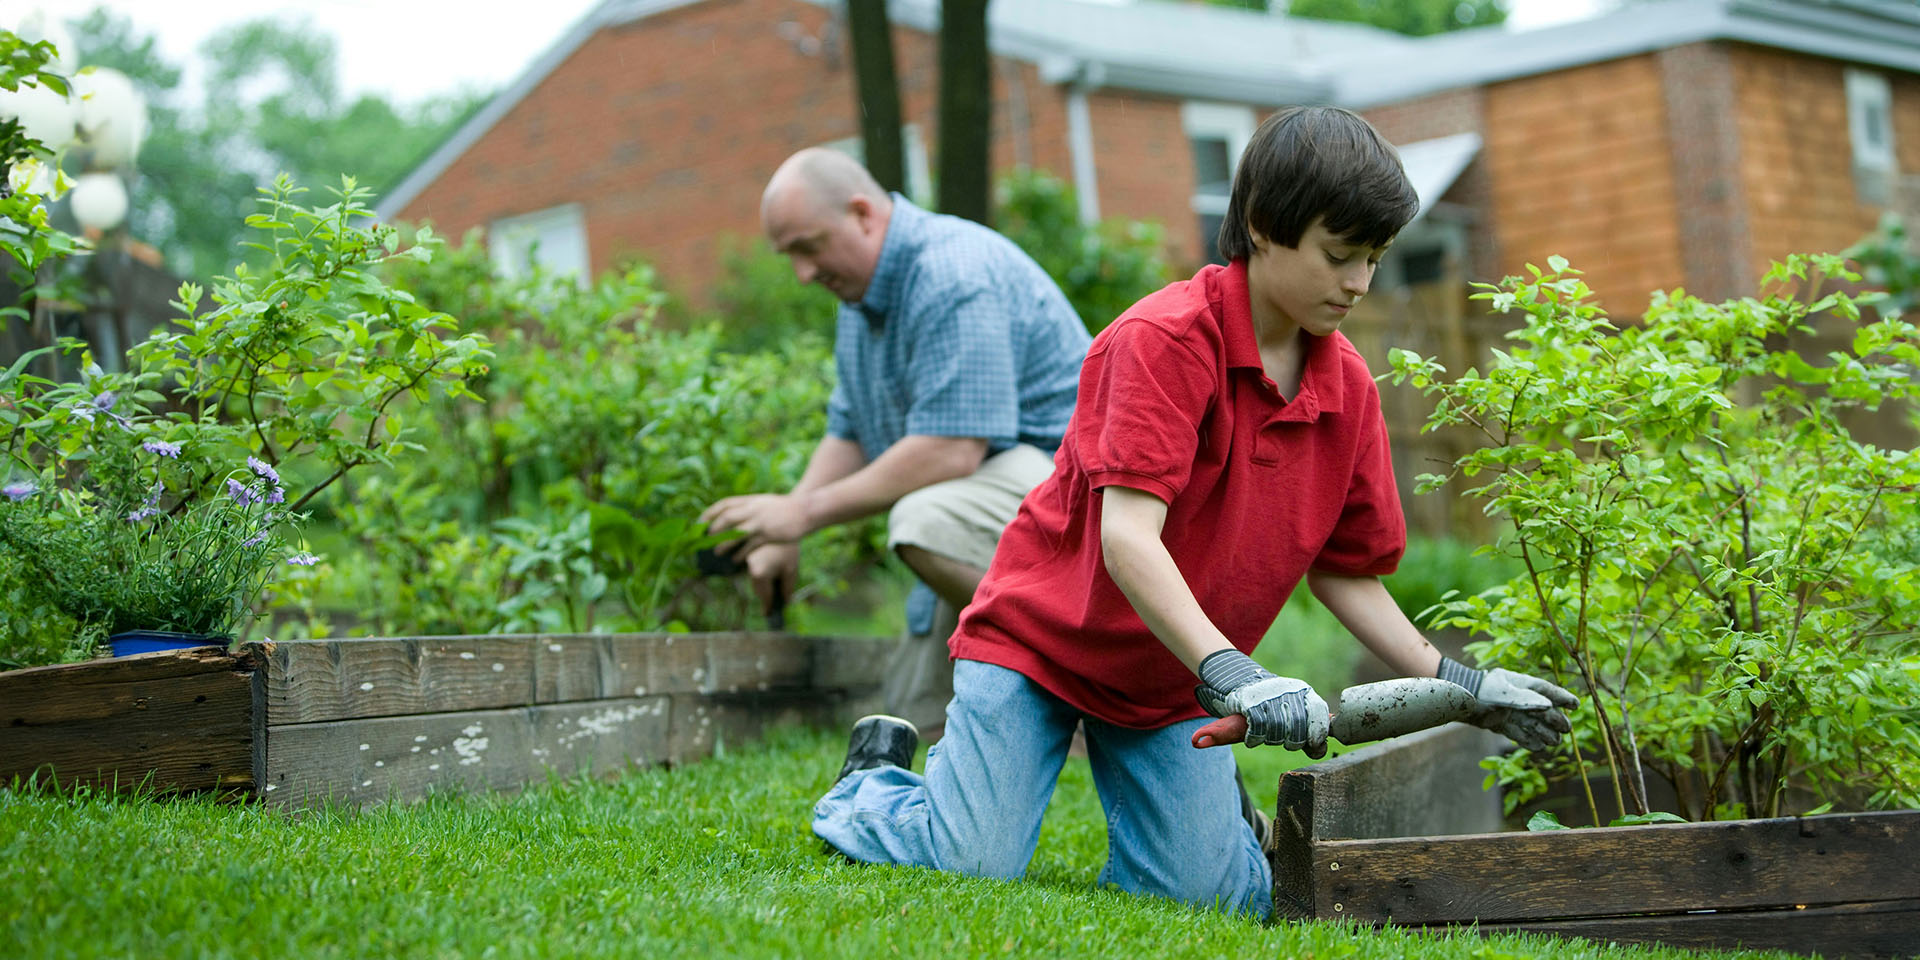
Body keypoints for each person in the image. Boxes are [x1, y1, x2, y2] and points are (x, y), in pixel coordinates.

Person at [810, 107, 1578, 919]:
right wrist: (1239, 675)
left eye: (1374, 259)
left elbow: (1347, 577)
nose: (1360, 283)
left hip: (1172, 679)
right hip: (1039, 647)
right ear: (1260, 227)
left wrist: (1467, 686)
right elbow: (1128, 539)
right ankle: (874, 784)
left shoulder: (1347, 388)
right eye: (1339, 255)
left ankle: (1216, 830)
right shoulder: (1163, 342)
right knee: (969, 861)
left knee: (1209, 899)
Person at [700, 149, 1092, 735]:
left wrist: (803, 514)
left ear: (862, 213)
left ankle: (1086, 682)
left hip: (1080, 508)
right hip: (994, 510)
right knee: (909, 720)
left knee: (925, 521)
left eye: (808, 247)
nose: (803, 274)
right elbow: (851, 428)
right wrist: (781, 528)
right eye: (790, 258)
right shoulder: (861, 301)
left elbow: (951, 449)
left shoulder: (950, 273)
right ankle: (1032, 697)